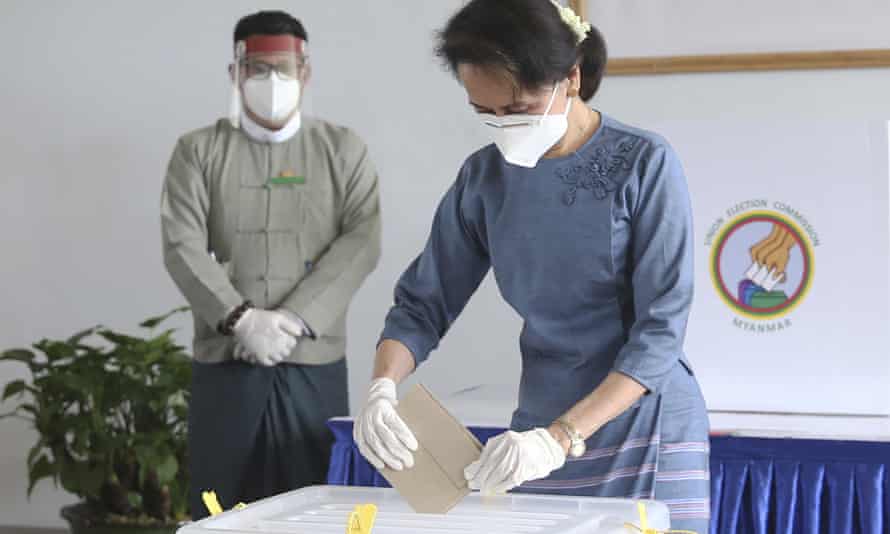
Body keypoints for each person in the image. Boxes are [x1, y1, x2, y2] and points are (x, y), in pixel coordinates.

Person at [353, 0, 709, 531]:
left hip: (643, 424)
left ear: (571, 77)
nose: (504, 125)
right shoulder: (484, 179)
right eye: (485, 112)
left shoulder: (645, 163)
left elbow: (660, 332)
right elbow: (424, 304)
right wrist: (382, 388)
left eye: (518, 107)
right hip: (537, 428)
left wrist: (561, 437)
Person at [160, 11, 381, 519]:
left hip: (312, 357)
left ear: (306, 72)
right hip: (227, 355)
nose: (271, 82)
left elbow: (362, 240)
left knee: (315, 502)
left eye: (283, 69)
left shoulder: (342, 150)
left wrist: (294, 319)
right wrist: (241, 319)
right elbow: (181, 242)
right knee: (220, 499)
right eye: (257, 69)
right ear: (235, 73)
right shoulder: (198, 151)